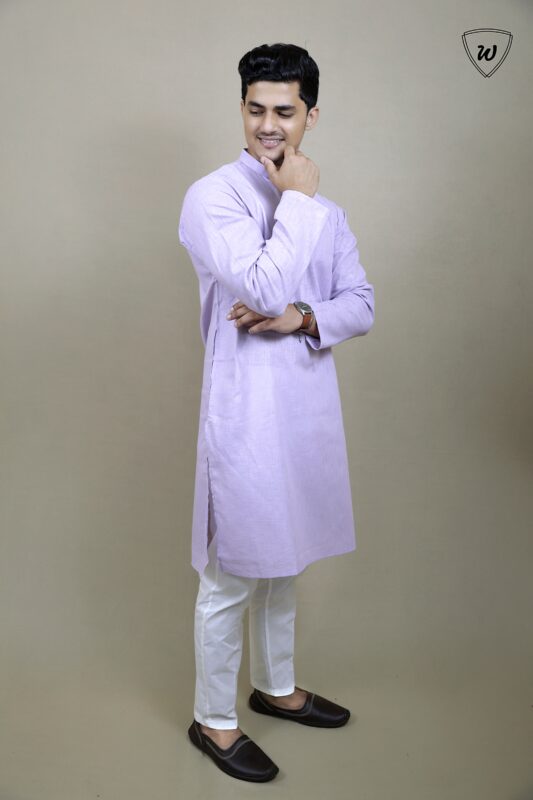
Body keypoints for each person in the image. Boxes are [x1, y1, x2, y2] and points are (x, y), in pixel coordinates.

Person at [178, 42, 375, 782]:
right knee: (233, 572)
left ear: (310, 116)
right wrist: (297, 200)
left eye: (284, 112)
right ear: (241, 109)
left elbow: (360, 304)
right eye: (255, 109)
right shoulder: (213, 197)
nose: (268, 125)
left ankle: (277, 688)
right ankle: (213, 718)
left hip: (305, 409)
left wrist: (300, 318)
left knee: (284, 563)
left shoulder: (326, 212)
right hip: (244, 412)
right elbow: (259, 286)